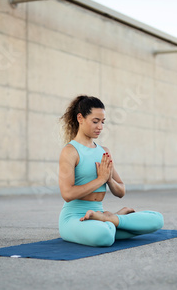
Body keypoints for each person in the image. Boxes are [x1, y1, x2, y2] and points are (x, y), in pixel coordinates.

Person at [58, 95, 164, 247]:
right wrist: (100, 180)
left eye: (102, 122)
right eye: (95, 121)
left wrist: (109, 180)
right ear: (80, 118)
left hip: (100, 216)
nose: (100, 127)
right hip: (74, 219)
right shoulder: (70, 151)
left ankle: (109, 219)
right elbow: (67, 194)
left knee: (157, 219)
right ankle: (114, 219)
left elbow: (121, 191)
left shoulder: (104, 152)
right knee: (104, 236)